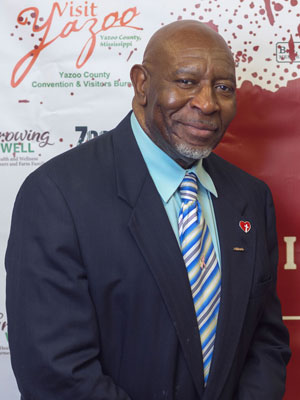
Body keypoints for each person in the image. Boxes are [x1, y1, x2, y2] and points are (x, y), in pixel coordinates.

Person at [6, 20, 290, 400]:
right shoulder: (56, 197)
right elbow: (56, 375)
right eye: (186, 82)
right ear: (142, 84)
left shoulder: (251, 197)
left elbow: (265, 341)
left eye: (223, 88)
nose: (206, 103)